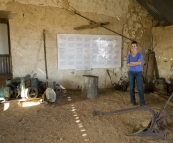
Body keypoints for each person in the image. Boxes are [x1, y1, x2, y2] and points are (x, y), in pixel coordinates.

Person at [126, 41, 145, 106]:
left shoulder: (140, 54)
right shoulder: (129, 55)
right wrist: (135, 62)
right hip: (131, 73)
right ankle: (133, 101)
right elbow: (127, 65)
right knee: (131, 88)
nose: (133, 47)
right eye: (132, 46)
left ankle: (142, 102)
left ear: (137, 47)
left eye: (134, 46)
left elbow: (139, 63)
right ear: (131, 47)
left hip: (138, 73)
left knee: (140, 88)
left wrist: (131, 63)